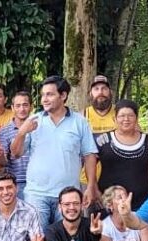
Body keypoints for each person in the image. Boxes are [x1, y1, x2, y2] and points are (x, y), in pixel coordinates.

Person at [11, 76, 99, 231]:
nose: (44, 99)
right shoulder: (34, 120)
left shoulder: (80, 122)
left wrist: (91, 186)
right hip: (36, 194)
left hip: (68, 194)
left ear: (63, 95)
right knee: (37, 240)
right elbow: (16, 153)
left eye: (50, 94)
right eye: (43, 95)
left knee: (67, 239)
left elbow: (90, 155)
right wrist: (21, 132)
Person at [96, 99, 148, 210]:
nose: (126, 119)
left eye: (130, 115)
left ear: (136, 118)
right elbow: (89, 165)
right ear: (114, 118)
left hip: (141, 202)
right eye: (122, 116)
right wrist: (94, 189)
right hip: (108, 202)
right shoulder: (103, 140)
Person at [80, 75, 116, 190]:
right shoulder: (82, 115)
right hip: (87, 178)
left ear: (110, 92)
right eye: (96, 89)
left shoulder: (120, 113)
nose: (100, 92)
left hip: (116, 178)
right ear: (90, 93)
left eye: (104, 88)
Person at [0, 91, 32, 198]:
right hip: (16, 182)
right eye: (18, 106)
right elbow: (4, 163)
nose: (22, 109)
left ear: (31, 106)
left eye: (25, 105)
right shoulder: (4, 131)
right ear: (12, 108)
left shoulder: (39, 128)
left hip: (38, 181)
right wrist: (0, 155)